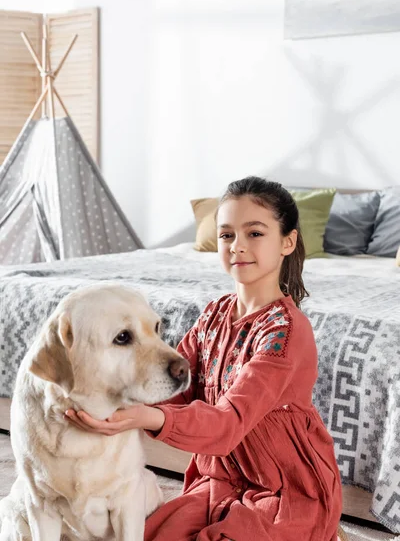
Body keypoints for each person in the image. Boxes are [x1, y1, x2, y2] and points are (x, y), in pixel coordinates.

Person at [65, 176, 343, 541]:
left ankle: (325, 531)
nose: (237, 246)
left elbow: (229, 423)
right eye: (226, 235)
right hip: (219, 483)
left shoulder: (287, 333)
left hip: (286, 492)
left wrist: (145, 417)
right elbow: (174, 389)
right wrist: (113, 403)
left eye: (255, 233)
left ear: (287, 241)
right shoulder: (213, 315)